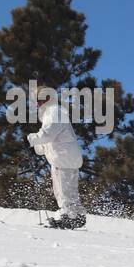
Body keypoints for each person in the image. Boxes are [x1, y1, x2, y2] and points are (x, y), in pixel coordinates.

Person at [27, 90, 86, 230]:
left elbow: (47, 134)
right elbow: (47, 141)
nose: (38, 103)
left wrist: (31, 139)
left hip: (63, 158)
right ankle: (76, 214)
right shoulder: (54, 113)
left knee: (62, 189)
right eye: (37, 100)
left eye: (40, 100)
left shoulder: (54, 111)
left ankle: (69, 216)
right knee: (68, 190)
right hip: (67, 157)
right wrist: (35, 145)